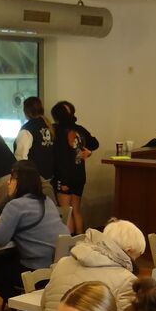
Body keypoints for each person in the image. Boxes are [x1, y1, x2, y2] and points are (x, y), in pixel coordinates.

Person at [0, 163, 69, 302]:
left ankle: (22, 310)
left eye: (12, 179)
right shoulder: (46, 200)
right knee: (8, 259)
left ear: (21, 182)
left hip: (37, 271)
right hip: (59, 267)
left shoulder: (16, 205)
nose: (8, 182)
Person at [39, 219, 145, 311]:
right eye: (136, 257)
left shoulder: (62, 262)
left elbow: (44, 305)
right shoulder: (126, 279)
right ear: (128, 251)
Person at [51, 100, 98, 235]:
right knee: (76, 210)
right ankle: (81, 241)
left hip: (64, 176)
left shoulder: (56, 130)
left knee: (66, 212)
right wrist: (88, 152)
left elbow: (60, 157)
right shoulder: (80, 129)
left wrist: (63, 181)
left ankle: (69, 244)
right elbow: (94, 143)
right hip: (79, 175)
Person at [14, 96, 56, 194]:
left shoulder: (28, 129)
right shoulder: (48, 126)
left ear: (26, 111)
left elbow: (21, 157)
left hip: (34, 179)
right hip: (49, 175)